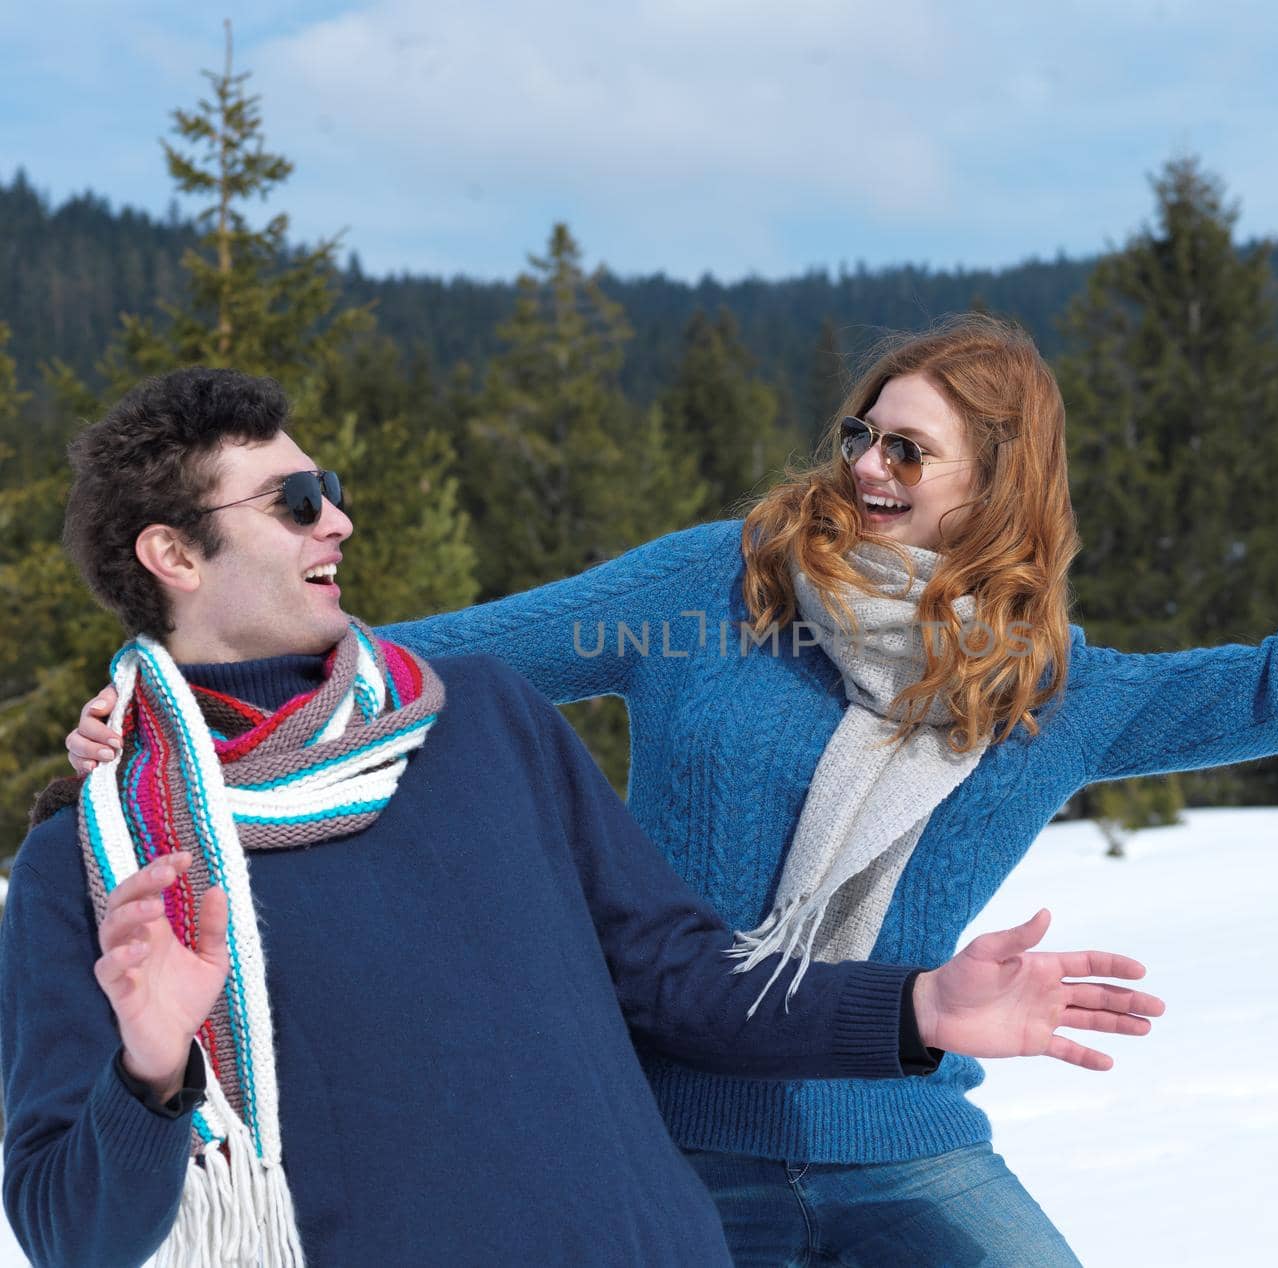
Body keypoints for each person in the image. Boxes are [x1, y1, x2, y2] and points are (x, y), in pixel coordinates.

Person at [67, 268, 1278, 1266]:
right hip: (670, 1141)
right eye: (860, 434)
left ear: (996, 486)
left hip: (903, 1148)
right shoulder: (715, 586)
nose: (867, 468)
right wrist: (177, 699)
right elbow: (437, 658)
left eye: (912, 450)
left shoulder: (1053, 694)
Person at [8, 368, 1166, 1268]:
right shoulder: (97, 862)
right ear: (173, 552)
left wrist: (917, 1004)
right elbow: (69, 1230)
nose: (339, 523)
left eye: (336, 492)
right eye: (297, 501)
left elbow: (677, 974)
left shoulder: (478, 727)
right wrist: (151, 1070)